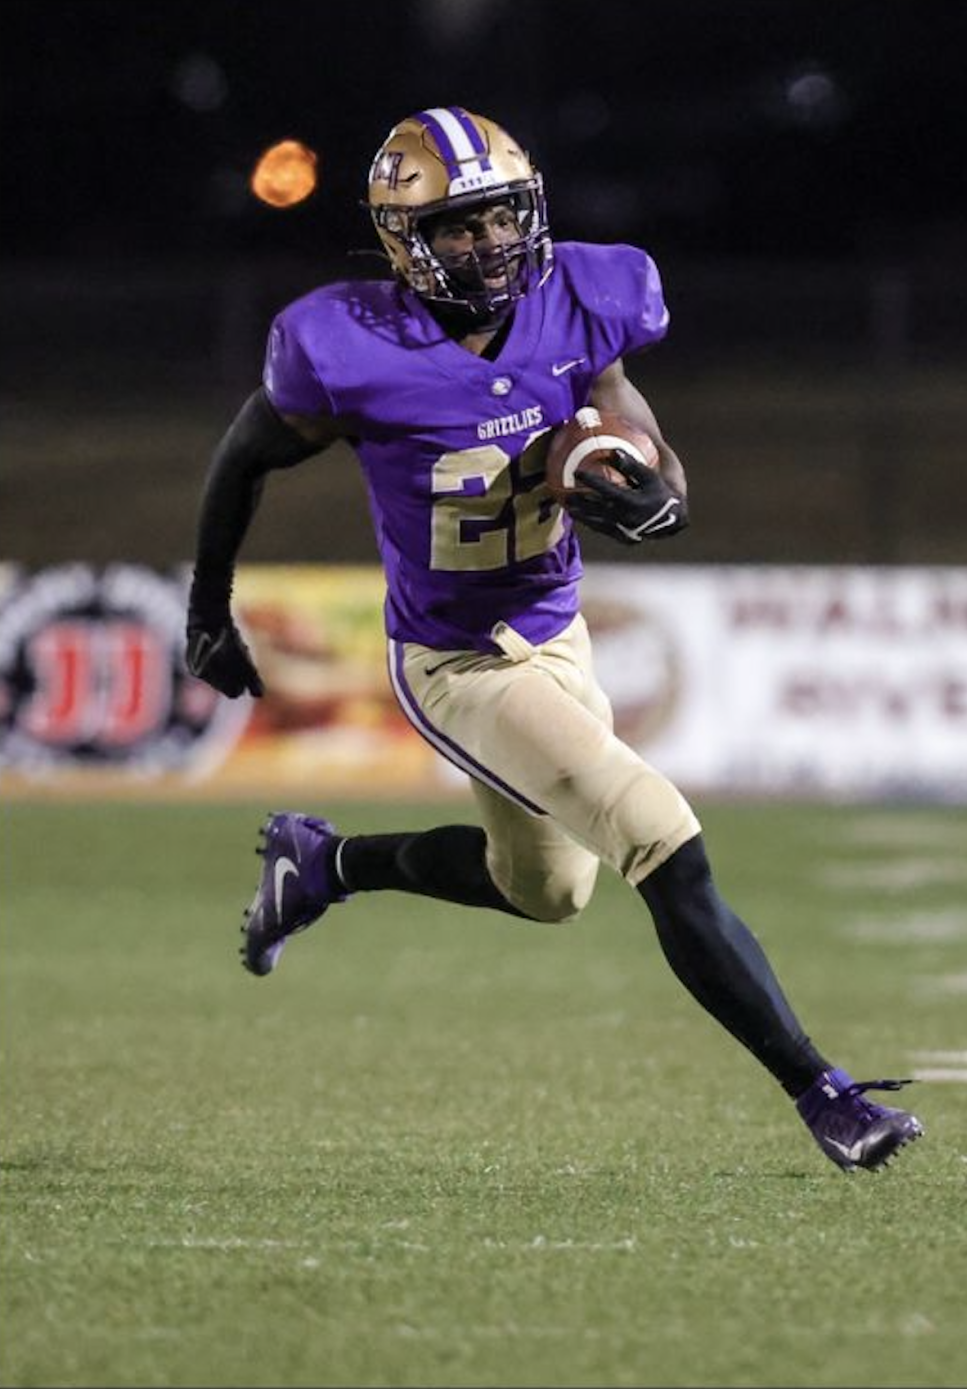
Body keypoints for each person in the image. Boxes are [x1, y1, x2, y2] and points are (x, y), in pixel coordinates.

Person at [185, 106, 924, 1173]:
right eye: (458, 226)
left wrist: (658, 498)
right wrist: (208, 609)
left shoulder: (583, 296)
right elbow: (242, 458)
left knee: (548, 890)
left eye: (503, 217)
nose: (489, 244)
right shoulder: (347, 345)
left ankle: (325, 864)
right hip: (456, 659)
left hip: (555, 631)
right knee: (656, 831)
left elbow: (641, 440)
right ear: (403, 240)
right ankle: (827, 1094)